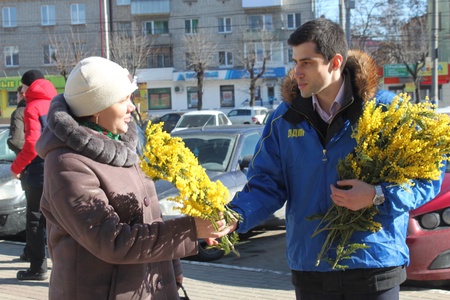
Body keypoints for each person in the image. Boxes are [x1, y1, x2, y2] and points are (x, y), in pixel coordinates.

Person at [227, 18, 444, 300]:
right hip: (311, 268)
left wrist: (378, 194)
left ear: (335, 61)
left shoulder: (387, 112)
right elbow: (267, 184)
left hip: (373, 265)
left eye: (307, 62)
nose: (297, 72)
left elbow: (428, 178)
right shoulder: (284, 118)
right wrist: (235, 216)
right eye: (295, 62)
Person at [35, 56, 230, 299]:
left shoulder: (121, 147)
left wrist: (172, 268)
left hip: (147, 283)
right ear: (96, 108)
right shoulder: (67, 164)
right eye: (123, 99)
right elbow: (112, 241)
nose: (132, 107)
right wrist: (190, 231)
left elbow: (152, 215)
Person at [12, 70, 57, 281]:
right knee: (58, 219)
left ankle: (38, 268)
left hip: (38, 170)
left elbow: (31, 144)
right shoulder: (57, 103)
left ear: (29, 87)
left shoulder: (32, 106)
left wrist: (16, 167)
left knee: (35, 221)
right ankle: (63, 267)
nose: (21, 92)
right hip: (59, 167)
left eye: (22, 87)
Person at [7, 85, 29, 261]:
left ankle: (35, 261)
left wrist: (18, 166)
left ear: (22, 93)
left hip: (30, 166)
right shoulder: (47, 106)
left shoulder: (20, 112)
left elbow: (17, 142)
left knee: (34, 215)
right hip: (50, 166)